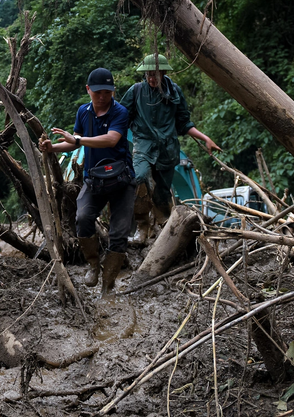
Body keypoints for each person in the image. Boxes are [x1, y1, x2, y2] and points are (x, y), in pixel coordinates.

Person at [40, 67, 135, 296]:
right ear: (88, 90)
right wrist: (52, 148)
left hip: (122, 180)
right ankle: (93, 265)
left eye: (107, 92)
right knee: (82, 218)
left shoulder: (120, 112)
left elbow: (112, 140)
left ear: (112, 92)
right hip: (94, 180)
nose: (102, 97)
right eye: (97, 92)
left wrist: (79, 139)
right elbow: (74, 144)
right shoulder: (83, 112)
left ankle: (108, 285)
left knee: (119, 234)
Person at [121, 54, 222, 242]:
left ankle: (163, 229)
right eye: (149, 74)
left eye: (156, 74)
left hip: (167, 149)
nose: (152, 78)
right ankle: (142, 228)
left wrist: (205, 138)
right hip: (143, 145)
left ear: (164, 73)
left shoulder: (174, 92)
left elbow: (184, 123)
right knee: (139, 177)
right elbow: (120, 118)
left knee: (162, 191)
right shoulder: (136, 91)